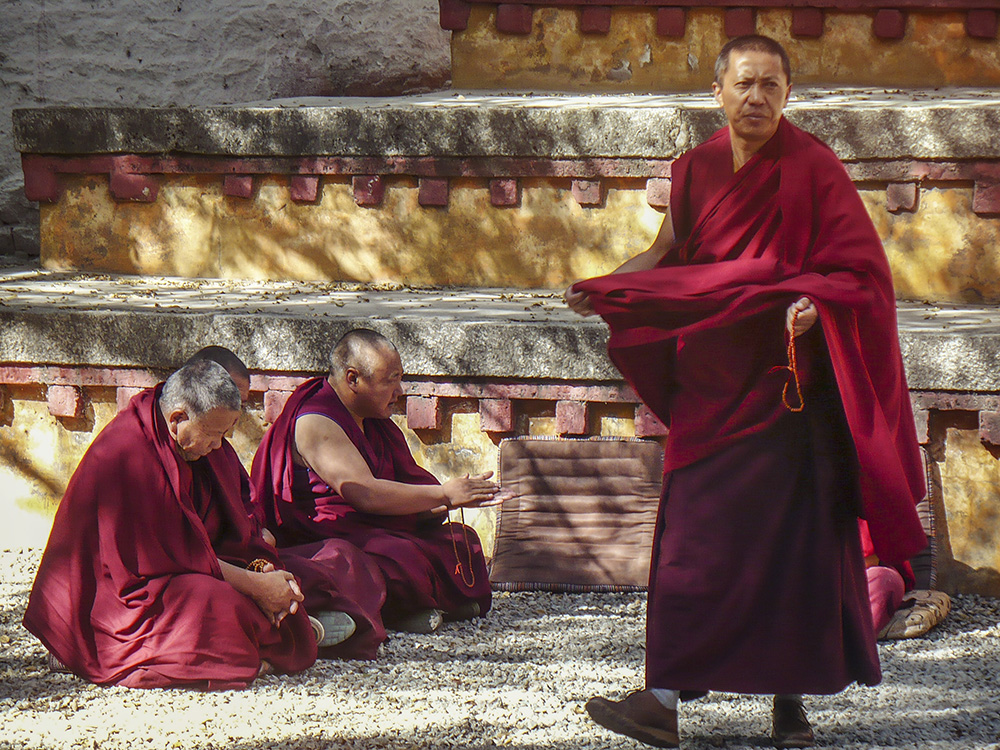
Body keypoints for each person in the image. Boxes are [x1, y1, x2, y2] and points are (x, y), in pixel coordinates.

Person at [565, 35, 927, 748]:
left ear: (788, 94)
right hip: (714, 387)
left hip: (788, 393)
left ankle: (790, 704)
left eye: (770, 85)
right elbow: (667, 254)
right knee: (690, 542)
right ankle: (661, 700)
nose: (756, 97)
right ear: (719, 92)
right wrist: (610, 288)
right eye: (743, 84)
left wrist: (817, 306)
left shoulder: (814, 168)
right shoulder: (694, 169)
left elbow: (860, 277)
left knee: (795, 548)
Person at [23, 360, 316, 689]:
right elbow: (167, 560)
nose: (219, 445)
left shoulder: (194, 445)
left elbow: (226, 528)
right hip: (114, 604)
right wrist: (255, 586)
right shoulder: (129, 454)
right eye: (214, 434)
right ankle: (254, 645)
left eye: (225, 435)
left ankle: (261, 641)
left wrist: (259, 569)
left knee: (285, 576)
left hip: (185, 571)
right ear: (178, 419)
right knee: (218, 605)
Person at [250, 329, 502, 635]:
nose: (399, 391)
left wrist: (441, 502)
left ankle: (414, 606)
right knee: (392, 558)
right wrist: (443, 495)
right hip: (325, 536)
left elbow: (404, 487)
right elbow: (363, 493)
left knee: (462, 541)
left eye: (399, 378)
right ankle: (398, 611)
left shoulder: (371, 419)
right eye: (389, 380)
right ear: (353, 379)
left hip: (379, 528)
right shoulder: (316, 420)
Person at [183, 345, 388, 659]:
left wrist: (257, 535)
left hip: (244, 555)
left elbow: (246, 504)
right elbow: (178, 545)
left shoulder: (218, 446)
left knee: (343, 558)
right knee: (220, 600)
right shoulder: (174, 446)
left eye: (238, 397)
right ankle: (302, 628)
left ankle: (309, 622)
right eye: (225, 394)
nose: (233, 406)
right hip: (210, 565)